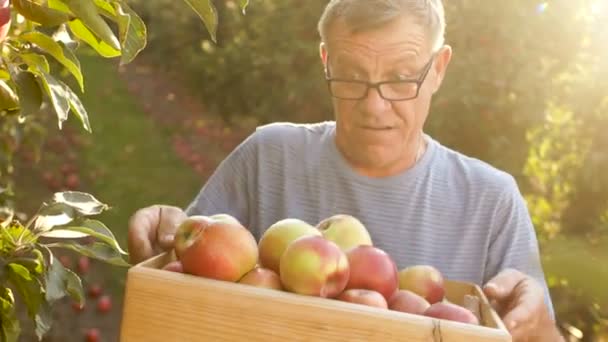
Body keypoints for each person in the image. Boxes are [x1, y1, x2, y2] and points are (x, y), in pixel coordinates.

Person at [127, 1, 565, 341]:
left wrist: (539, 327)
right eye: (352, 76)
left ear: (439, 69)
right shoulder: (268, 158)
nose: (374, 106)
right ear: (326, 62)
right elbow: (181, 289)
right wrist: (161, 239)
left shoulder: (490, 203)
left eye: (400, 78)